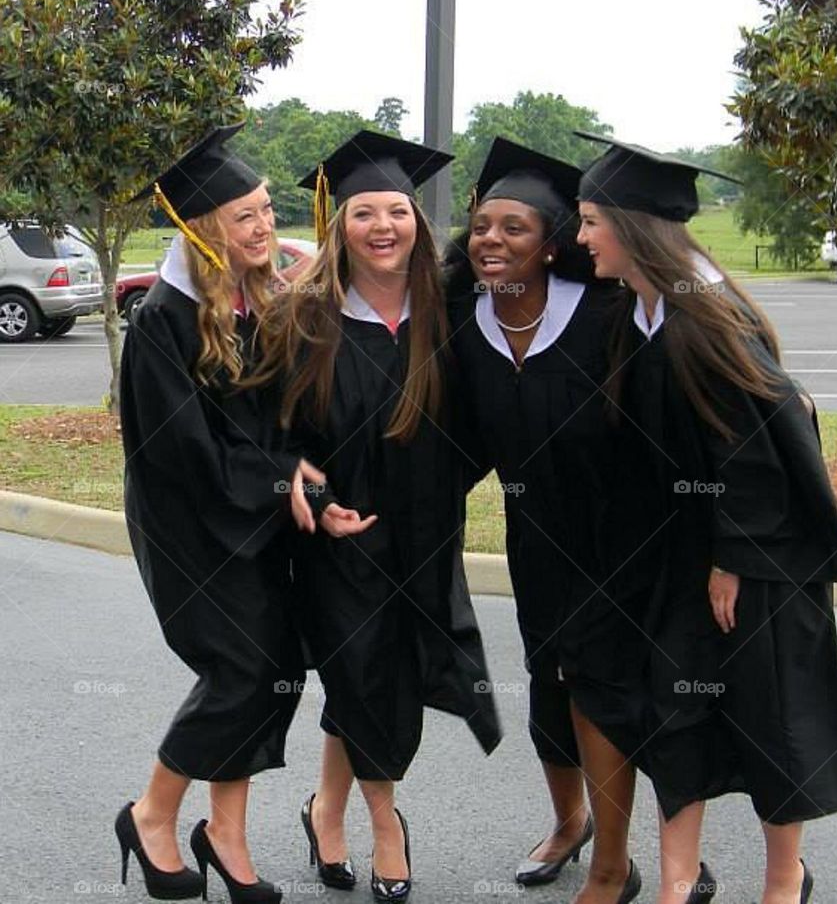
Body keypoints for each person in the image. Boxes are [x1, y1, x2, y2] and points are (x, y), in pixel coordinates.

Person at [576, 132, 837, 904]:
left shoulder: (703, 318)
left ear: (635, 227)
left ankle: (785, 880)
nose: (579, 239)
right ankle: (677, 880)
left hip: (754, 562)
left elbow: (762, 433)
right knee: (675, 713)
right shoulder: (640, 311)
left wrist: (733, 553)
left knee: (772, 719)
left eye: (589, 222)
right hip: (676, 556)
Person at [253, 130, 501, 903]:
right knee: (368, 674)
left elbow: (485, 415)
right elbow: (271, 438)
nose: (384, 225)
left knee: (380, 674)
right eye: (365, 212)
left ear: (419, 225)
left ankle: (324, 809)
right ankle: (386, 826)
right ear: (340, 225)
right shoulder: (304, 318)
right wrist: (317, 505)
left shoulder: (448, 307)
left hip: (426, 534)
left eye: (399, 210)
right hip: (341, 541)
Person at [117, 124, 325, 904]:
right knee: (240, 670)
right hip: (191, 528)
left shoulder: (257, 299)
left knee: (274, 669)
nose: (266, 226)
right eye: (245, 217)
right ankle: (152, 813)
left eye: (267, 208)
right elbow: (186, 456)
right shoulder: (162, 321)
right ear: (207, 230)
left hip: (256, 521)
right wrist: (282, 479)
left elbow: (283, 418)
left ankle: (226, 833)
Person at [444, 137, 645, 904]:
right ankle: (570, 822)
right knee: (546, 685)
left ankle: (613, 867)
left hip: (619, 536)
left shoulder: (606, 314)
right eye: (483, 226)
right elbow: (457, 439)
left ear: (552, 244)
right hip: (537, 537)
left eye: (514, 228)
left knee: (599, 691)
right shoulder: (469, 325)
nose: (491, 240)